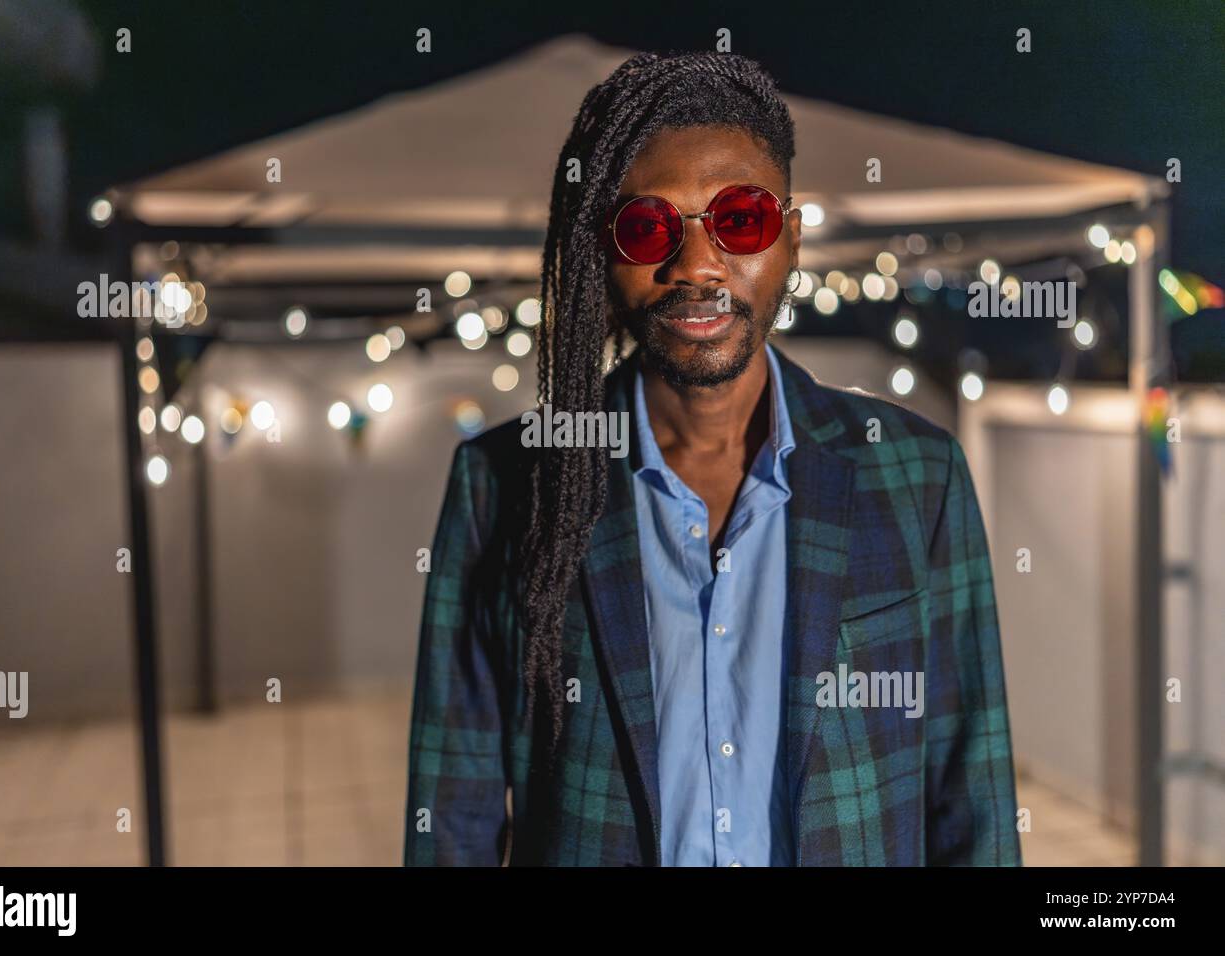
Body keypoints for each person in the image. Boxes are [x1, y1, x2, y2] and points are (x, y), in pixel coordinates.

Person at [404, 49, 1021, 866]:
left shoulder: (917, 475)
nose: (696, 265)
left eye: (740, 220)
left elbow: (971, 795)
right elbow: (454, 815)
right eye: (648, 226)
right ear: (604, 253)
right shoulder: (506, 483)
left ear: (791, 241)